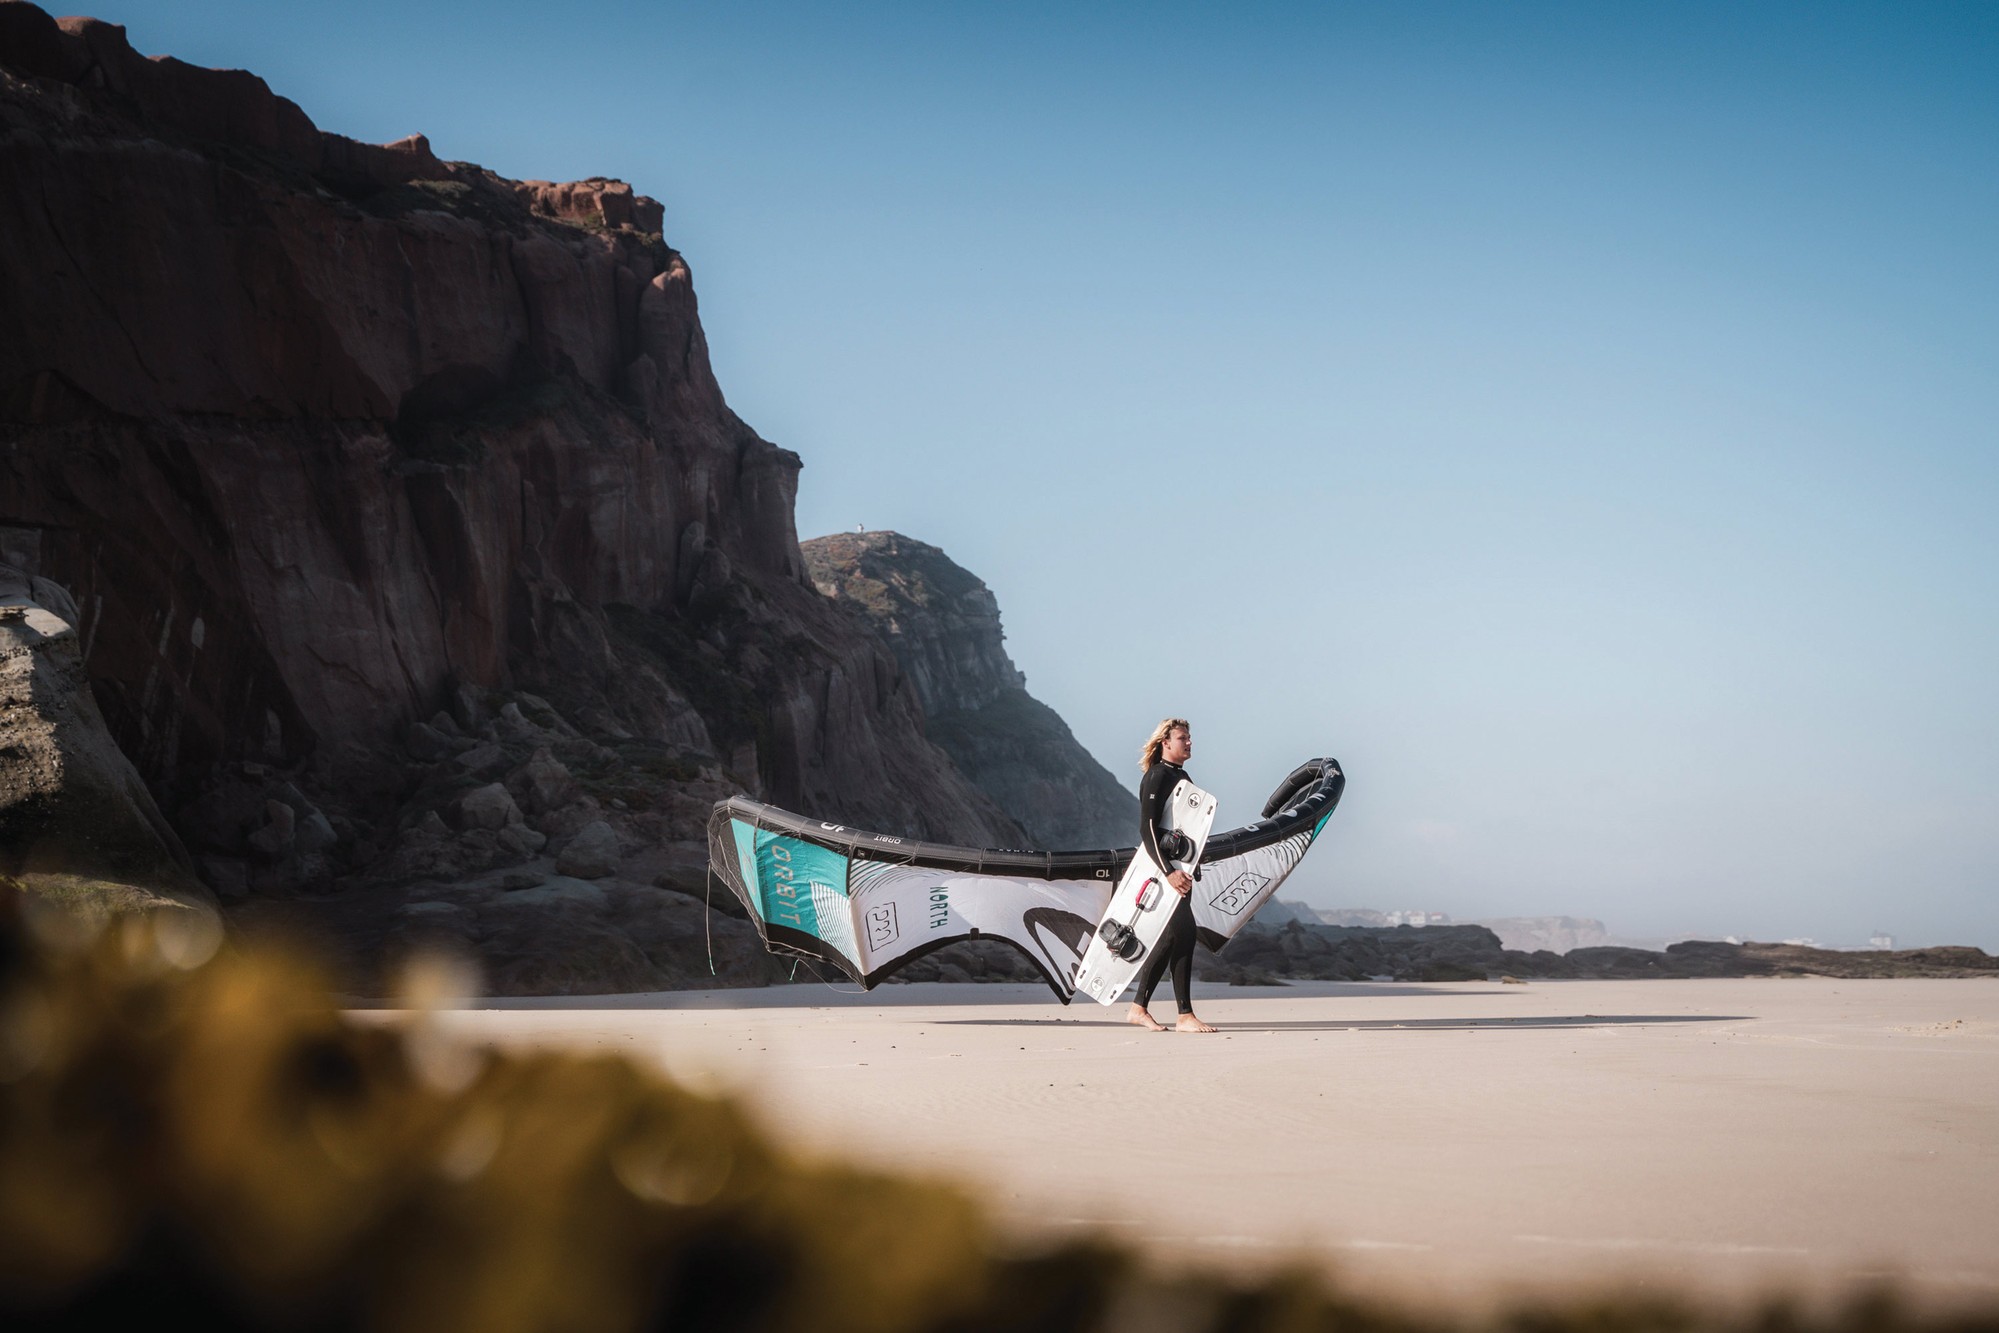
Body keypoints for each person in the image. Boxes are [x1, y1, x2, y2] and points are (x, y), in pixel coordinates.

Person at [1127, 717, 1218, 1034]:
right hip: (1162, 872)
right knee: (1185, 933)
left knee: (1170, 939)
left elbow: (1186, 826)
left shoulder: (1182, 777)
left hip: (1181, 871)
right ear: (1165, 742)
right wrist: (1168, 872)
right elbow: (1148, 829)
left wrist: (1192, 865)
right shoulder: (1157, 775)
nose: (1189, 742)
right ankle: (1184, 1015)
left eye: (1189, 737)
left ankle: (1138, 1008)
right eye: (1183, 738)